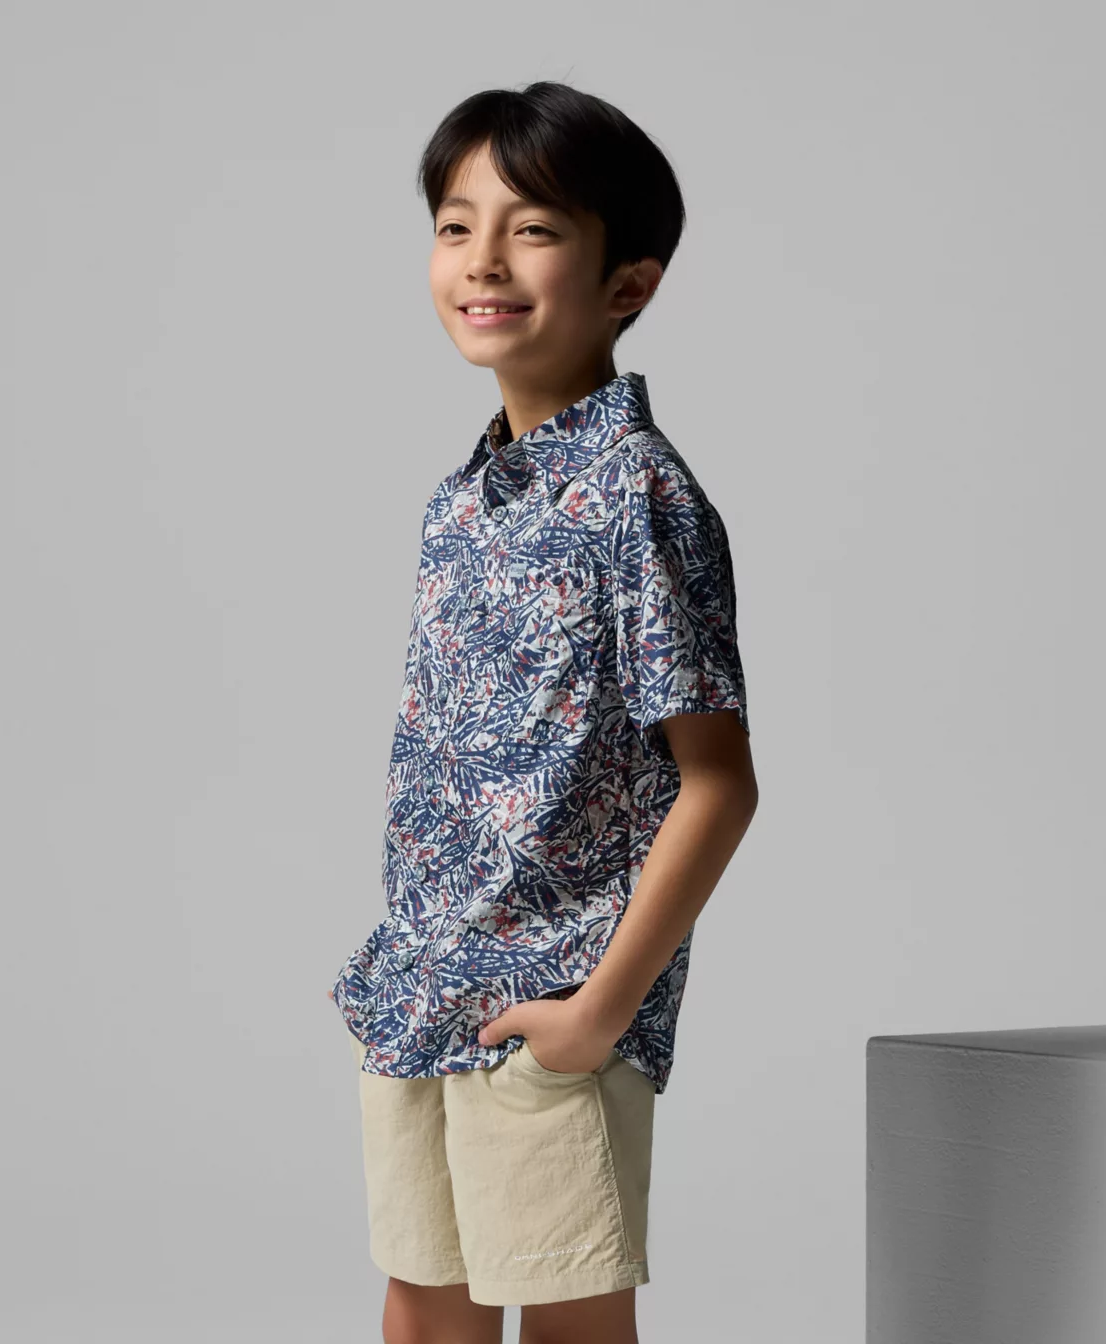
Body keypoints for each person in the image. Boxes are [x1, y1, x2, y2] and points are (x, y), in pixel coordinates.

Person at [329, 80, 758, 1344]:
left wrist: (597, 1014)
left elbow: (718, 782)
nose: (483, 261)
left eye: (532, 230)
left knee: (570, 1320)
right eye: (455, 226)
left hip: (555, 1005)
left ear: (628, 283)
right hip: (424, 989)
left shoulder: (638, 495)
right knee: (423, 1307)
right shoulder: (461, 504)